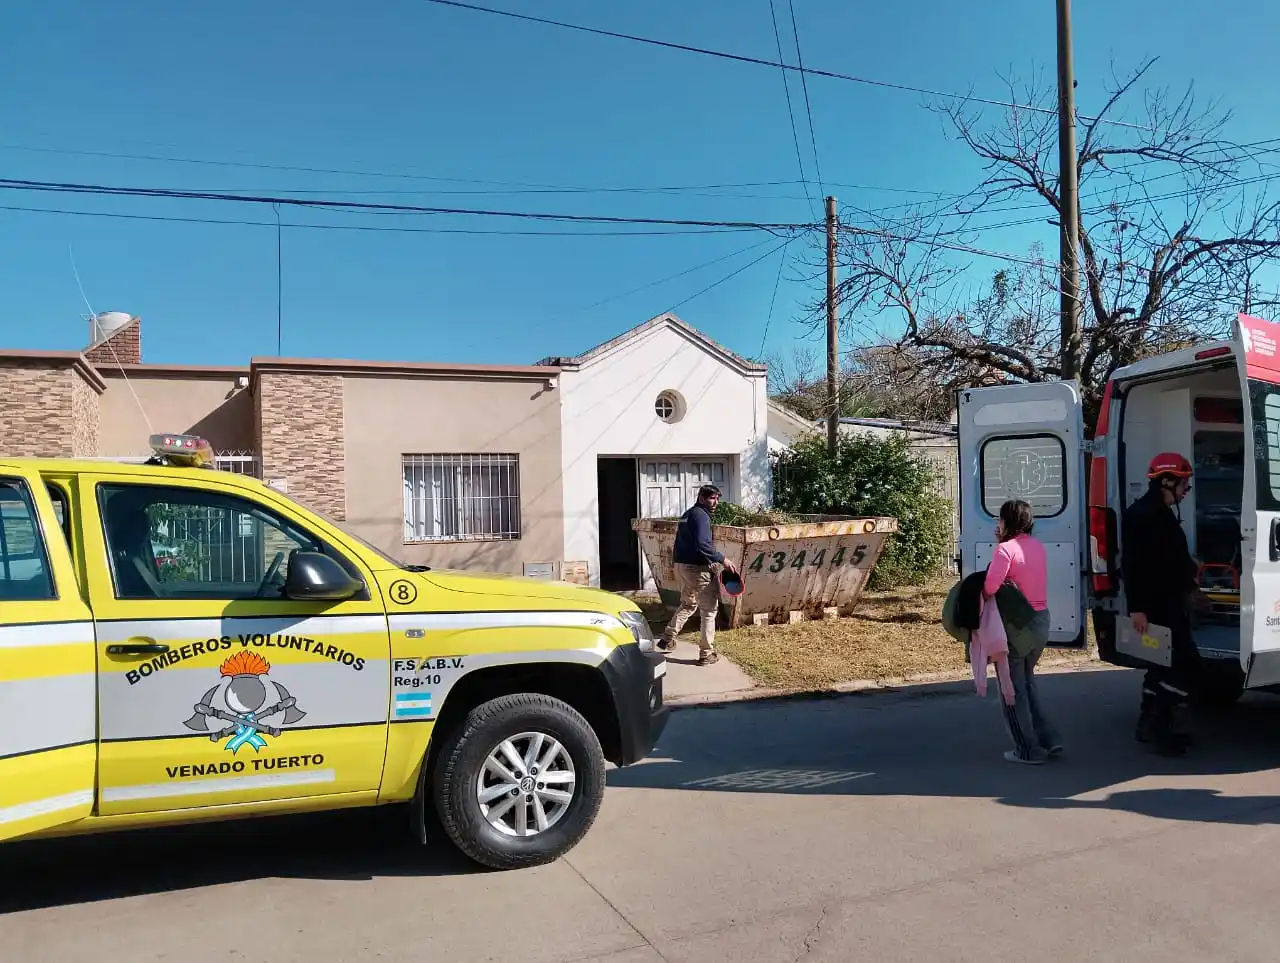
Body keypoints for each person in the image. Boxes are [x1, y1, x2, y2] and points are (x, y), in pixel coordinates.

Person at [1122, 452, 1208, 756]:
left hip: (1168, 602)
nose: (1186, 491)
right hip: (1157, 607)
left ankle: (1148, 725)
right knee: (1185, 665)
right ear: (1167, 481)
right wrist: (1137, 609)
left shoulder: (1159, 513)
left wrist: (1193, 587)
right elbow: (1133, 566)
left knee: (1160, 666)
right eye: (1184, 484)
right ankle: (1162, 728)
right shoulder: (1145, 516)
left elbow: (1173, 560)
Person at [984, 498, 1061, 765]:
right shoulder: (1037, 546)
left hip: (1017, 626)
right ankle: (1048, 739)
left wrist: (1000, 546)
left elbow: (990, 588)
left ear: (1006, 521)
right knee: (1027, 682)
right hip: (1041, 621)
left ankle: (1027, 749)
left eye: (1000, 519)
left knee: (1011, 689)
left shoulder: (1004, 550)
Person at [657, 484, 738, 666]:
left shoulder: (688, 514)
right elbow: (703, 544)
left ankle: (667, 638)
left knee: (688, 603)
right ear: (701, 498)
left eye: (717, 498)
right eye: (712, 498)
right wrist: (723, 559)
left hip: (682, 567)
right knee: (709, 610)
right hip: (697, 570)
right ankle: (706, 654)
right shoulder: (701, 516)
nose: (715, 502)